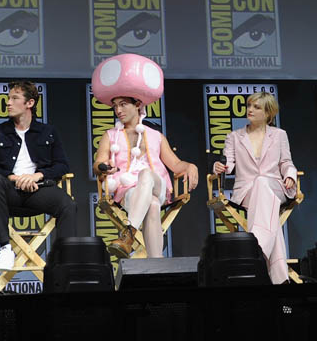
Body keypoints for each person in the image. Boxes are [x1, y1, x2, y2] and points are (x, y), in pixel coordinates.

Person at [91, 53, 197, 259]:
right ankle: (157, 264)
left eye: (123, 104)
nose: (118, 110)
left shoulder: (156, 135)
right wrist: (104, 167)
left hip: (157, 185)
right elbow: (98, 164)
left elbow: (176, 165)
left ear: (138, 104)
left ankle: (129, 234)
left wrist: (191, 166)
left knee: (146, 174)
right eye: (115, 106)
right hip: (128, 191)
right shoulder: (110, 135)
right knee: (153, 205)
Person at [0, 81, 77, 272]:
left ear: (29, 103)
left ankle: (65, 262)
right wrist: (15, 178)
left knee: (68, 205)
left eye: (14, 98)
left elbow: (62, 165)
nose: (8, 103)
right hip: (8, 193)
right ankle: (5, 249)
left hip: (39, 190)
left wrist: (37, 176)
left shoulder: (48, 132)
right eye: (8, 98)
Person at [212, 91, 296, 284]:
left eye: (256, 107)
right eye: (249, 105)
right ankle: (278, 276)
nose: (250, 109)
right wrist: (219, 166)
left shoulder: (280, 135)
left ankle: (255, 250)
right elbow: (228, 163)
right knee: (268, 211)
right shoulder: (234, 136)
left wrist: (290, 175)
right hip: (247, 191)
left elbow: (286, 162)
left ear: (268, 113)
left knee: (262, 183)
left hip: (275, 187)